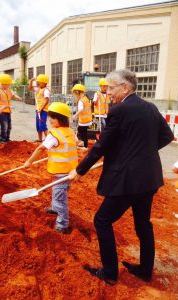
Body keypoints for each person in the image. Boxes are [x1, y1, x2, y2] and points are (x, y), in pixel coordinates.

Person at [69, 69, 174, 285]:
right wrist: (143, 152)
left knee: (102, 220)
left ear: (125, 87)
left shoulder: (119, 110)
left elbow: (101, 145)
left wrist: (80, 170)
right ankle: (145, 270)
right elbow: (167, 136)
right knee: (143, 224)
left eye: (111, 89)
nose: (108, 94)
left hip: (129, 180)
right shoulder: (150, 107)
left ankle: (109, 273)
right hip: (149, 177)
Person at [24, 102, 78, 233]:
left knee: (60, 198)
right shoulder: (70, 131)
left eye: (53, 117)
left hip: (61, 171)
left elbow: (41, 148)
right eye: (50, 117)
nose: (50, 120)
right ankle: (54, 208)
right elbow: (72, 144)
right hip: (69, 170)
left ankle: (62, 225)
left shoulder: (54, 134)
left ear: (61, 119)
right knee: (57, 191)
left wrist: (29, 162)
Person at [0, 74, 22, 143]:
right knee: (4, 126)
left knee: (9, 126)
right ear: (4, 84)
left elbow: (13, 95)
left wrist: (19, 98)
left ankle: (7, 138)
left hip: (8, 111)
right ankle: (3, 139)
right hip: (1, 112)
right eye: (8, 84)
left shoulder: (8, 90)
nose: (9, 85)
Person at [28, 74, 50, 142]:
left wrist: (41, 109)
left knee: (42, 125)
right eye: (37, 81)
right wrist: (31, 81)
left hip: (43, 110)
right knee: (38, 126)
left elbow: (46, 100)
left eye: (39, 81)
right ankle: (40, 140)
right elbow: (30, 88)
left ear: (44, 82)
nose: (37, 83)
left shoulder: (46, 90)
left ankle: (49, 140)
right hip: (38, 110)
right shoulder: (38, 89)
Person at [72, 84, 92, 151]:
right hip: (87, 119)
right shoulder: (85, 99)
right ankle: (84, 143)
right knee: (83, 132)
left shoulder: (81, 100)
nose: (75, 96)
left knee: (82, 131)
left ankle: (85, 145)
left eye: (75, 94)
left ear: (78, 93)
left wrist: (75, 115)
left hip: (84, 121)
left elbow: (81, 109)